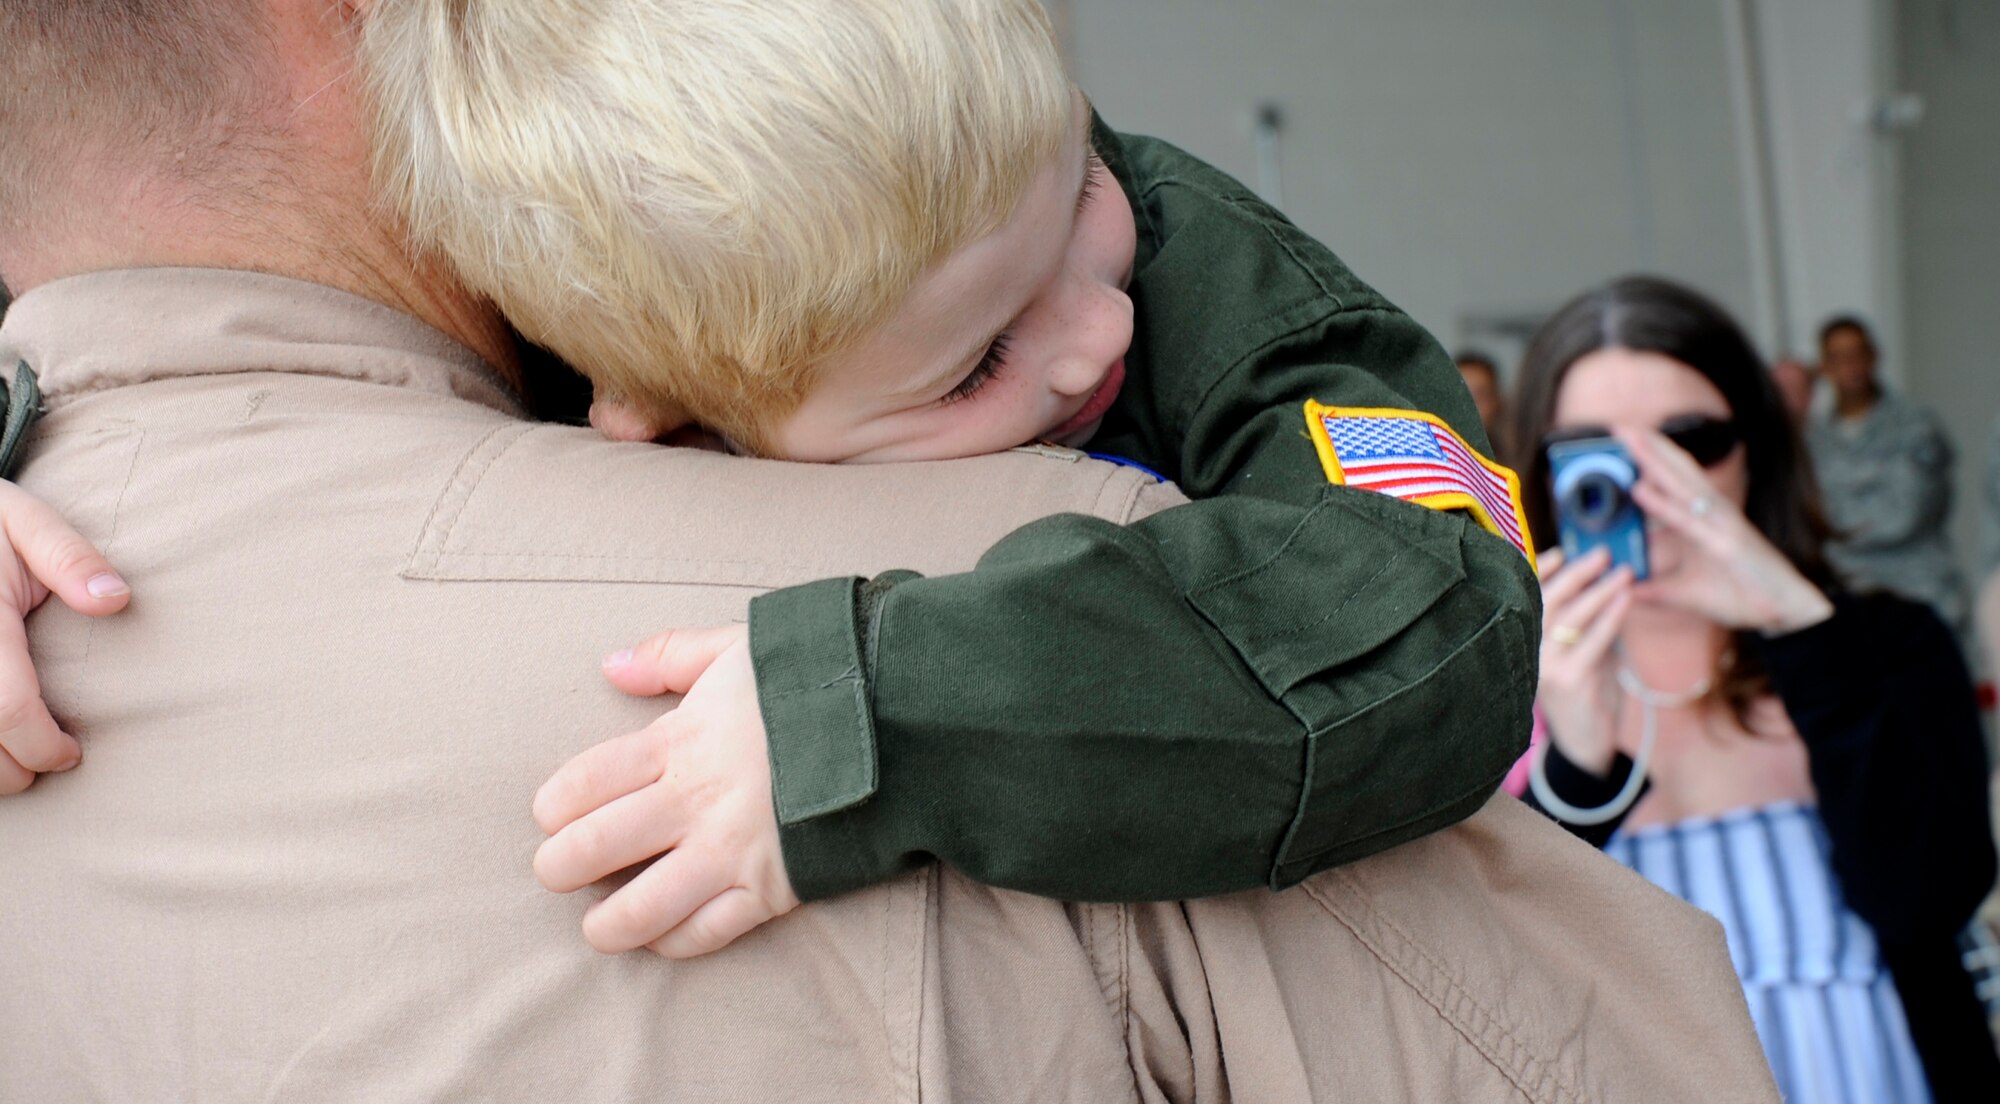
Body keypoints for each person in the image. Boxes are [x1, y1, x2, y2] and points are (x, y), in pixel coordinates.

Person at [0, 1, 1780, 1099]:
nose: (1095, 339)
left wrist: (887, 697)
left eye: (1081, 196)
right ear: (663, 412)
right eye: (974, 364)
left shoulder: (1147, 258)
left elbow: (1436, 607)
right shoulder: (664, 260)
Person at [1514, 277, 1998, 1102]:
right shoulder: (1497, 679)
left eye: (1689, 441)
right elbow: (1498, 973)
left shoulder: (1888, 641)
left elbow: (1928, 896)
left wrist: (1805, 633)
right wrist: (1576, 768)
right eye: (1598, 451)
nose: (1650, 486)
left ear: (1759, 447)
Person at [1807, 315, 1966, 628]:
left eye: (1858, 353)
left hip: (1919, 592)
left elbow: (1903, 516)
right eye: (1839, 357)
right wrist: (1868, 491)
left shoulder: (1916, 426)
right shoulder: (1814, 441)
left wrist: (1839, 517)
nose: (1851, 366)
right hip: (1847, 598)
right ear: (1824, 366)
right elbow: (1811, 516)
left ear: (1874, 356)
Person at [1455, 349, 1510, 454]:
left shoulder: (1516, 460)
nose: (1468, 408)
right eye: (1460, 397)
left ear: (1498, 403)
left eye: (1478, 397)